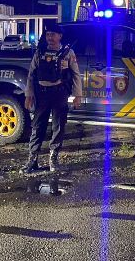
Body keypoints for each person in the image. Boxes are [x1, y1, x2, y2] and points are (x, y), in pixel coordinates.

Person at [23, 23, 82, 174]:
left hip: (59, 94)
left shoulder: (68, 53)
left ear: (60, 36)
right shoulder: (40, 52)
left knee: (58, 127)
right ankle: (32, 160)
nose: (50, 37)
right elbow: (31, 75)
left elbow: (76, 75)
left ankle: (53, 159)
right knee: (37, 127)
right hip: (42, 94)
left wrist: (78, 95)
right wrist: (29, 94)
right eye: (48, 34)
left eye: (53, 34)